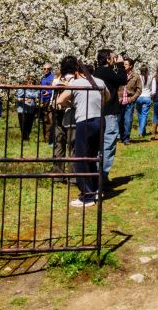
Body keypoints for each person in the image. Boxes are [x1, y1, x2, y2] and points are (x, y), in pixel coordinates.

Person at [56, 55, 108, 208]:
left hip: (85, 121)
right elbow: (108, 97)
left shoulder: (77, 83)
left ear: (78, 72)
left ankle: (87, 195)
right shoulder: (100, 82)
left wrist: (74, 101)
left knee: (80, 158)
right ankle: (96, 189)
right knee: (92, 157)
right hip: (100, 120)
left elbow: (60, 101)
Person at [92, 49, 127, 189]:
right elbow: (123, 79)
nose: (114, 59)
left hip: (98, 112)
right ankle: (102, 175)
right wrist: (120, 65)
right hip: (108, 112)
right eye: (112, 58)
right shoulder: (105, 71)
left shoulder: (97, 72)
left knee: (99, 144)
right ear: (107, 59)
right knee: (109, 142)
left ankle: (97, 174)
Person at [120, 59, 140, 144]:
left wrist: (132, 99)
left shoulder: (136, 76)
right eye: (123, 64)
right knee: (120, 120)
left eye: (126, 64)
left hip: (129, 101)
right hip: (120, 101)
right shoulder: (119, 74)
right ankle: (121, 136)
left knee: (128, 120)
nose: (124, 66)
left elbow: (139, 90)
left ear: (131, 66)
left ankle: (126, 138)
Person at [15, 76, 40, 142]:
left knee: (30, 124)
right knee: (23, 124)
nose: (31, 84)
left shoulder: (36, 90)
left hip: (31, 109)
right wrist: (25, 99)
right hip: (23, 109)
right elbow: (18, 98)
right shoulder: (22, 89)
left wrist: (37, 99)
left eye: (32, 82)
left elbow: (37, 97)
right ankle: (25, 139)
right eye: (29, 82)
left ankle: (27, 136)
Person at [38, 62, 56, 142]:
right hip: (43, 101)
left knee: (50, 120)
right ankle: (45, 138)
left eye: (48, 69)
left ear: (50, 69)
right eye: (44, 69)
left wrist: (48, 92)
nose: (46, 70)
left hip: (50, 101)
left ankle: (50, 139)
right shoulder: (42, 78)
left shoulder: (53, 78)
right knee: (44, 120)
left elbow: (54, 89)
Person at [135, 65, 153, 138]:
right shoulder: (151, 77)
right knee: (144, 115)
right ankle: (141, 131)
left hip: (139, 97)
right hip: (147, 97)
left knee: (139, 115)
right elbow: (152, 88)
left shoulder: (138, 77)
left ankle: (142, 130)